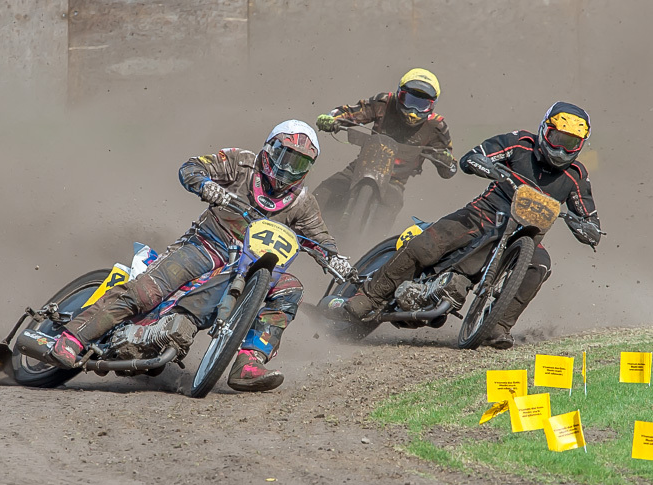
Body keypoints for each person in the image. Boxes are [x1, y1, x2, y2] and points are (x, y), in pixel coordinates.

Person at [47, 119, 353, 391]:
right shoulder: (241, 163)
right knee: (148, 291)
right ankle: (73, 337)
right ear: (270, 148)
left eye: (299, 164)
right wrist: (207, 186)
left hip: (247, 268)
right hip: (205, 246)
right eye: (285, 157)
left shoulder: (303, 202)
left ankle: (249, 362)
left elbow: (320, 239)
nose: (288, 168)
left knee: (290, 288)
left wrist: (334, 258)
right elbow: (191, 167)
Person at [344, 101, 602, 349]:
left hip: (527, 235)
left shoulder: (576, 176)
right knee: (428, 246)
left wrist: (587, 228)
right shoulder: (520, 143)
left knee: (541, 264)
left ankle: (498, 326)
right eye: (558, 139)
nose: (561, 149)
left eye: (571, 144)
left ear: (580, 145)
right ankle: (369, 297)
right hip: (484, 215)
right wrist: (486, 165)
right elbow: (474, 157)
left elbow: (590, 219)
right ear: (545, 130)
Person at [312, 68, 458, 225]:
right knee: (322, 194)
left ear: (432, 106)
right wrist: (331, 119)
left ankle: (361, 248)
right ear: (398, 94)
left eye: (421, 105)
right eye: (409, 100)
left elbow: (449, 169)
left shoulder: (436, 126)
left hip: (394, 182)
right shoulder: (384, 103)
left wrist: (445, 160)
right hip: (359, 168)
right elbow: (352, 112)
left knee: (384, 219)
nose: (413, 111)